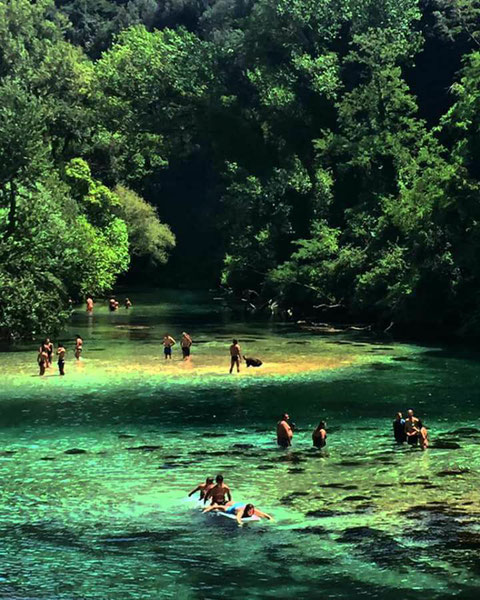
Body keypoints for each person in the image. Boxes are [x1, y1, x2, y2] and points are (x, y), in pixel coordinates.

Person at [203, 502, 273, 525]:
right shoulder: (241, 511)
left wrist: (271, 519)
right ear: (247, 510)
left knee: (230, 502)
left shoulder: (253, 510)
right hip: (233, 509)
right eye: (250, 511)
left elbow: (264, 515)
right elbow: (238, 518)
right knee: (221, 507)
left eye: (252, 511)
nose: (251, 513)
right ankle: (210, 506)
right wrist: (240, 524)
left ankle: (227, 502)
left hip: (240, 504)